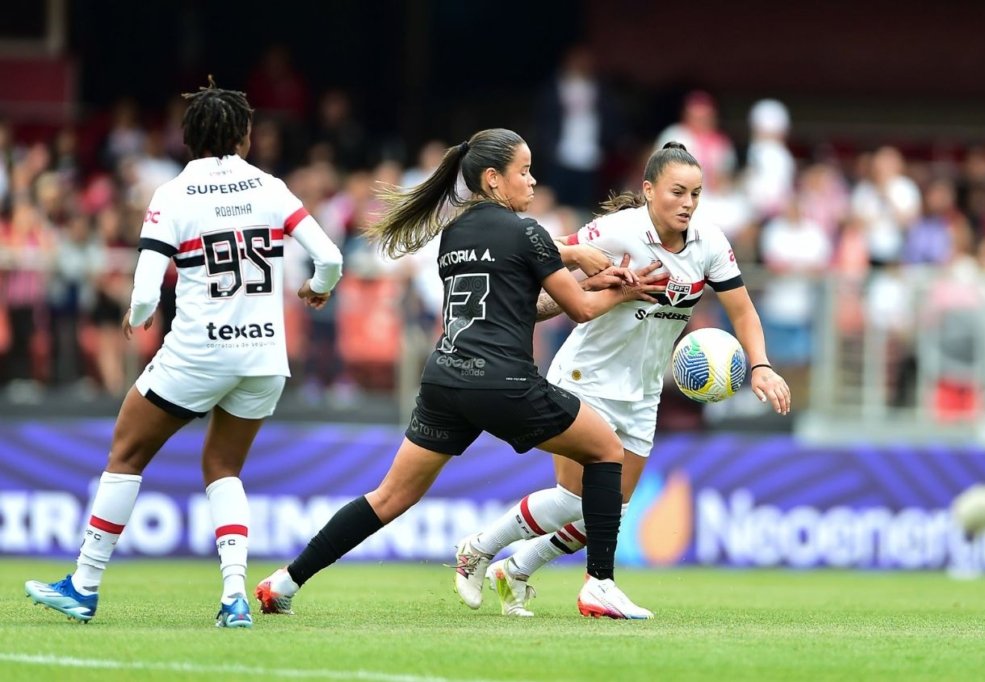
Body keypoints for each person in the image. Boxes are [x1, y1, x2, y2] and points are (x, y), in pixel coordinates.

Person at [255, 128, 663, 620]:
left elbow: (523, 306)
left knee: (388, 496)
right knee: (606, 450)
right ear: (493, 179)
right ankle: (598, 583)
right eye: (524, 171)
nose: (532, 182)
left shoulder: (457, 232)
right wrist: (622, 289)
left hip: (446, 379)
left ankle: (286, 581)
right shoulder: (527, 232)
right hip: (503, 383)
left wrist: (576, 261)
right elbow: (576, 307)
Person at [24, 77, 343, 628]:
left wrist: (140, 311)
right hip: (265, 356)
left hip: (199, 352)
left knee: (126, 452)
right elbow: (331, 256)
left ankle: (84, 583)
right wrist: (318, 288)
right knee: (224, 468)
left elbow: (148, 285)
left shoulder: (173, 194)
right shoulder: (270, 188)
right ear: (244, 135)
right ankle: (234, 598)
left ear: (188, 138)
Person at [455, 142, 792, 618]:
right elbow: (544, 250)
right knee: (577, 501)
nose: (688, 203)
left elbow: (743, 309)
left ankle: (515, 569)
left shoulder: (711, 243)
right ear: (649, 190)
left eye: (696, 193)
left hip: (642, 390)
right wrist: (579, 259)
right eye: (678, 191)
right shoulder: (617, 231)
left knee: (606, 515)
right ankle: (481, 550)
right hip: (584, 378)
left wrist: (760, 365)